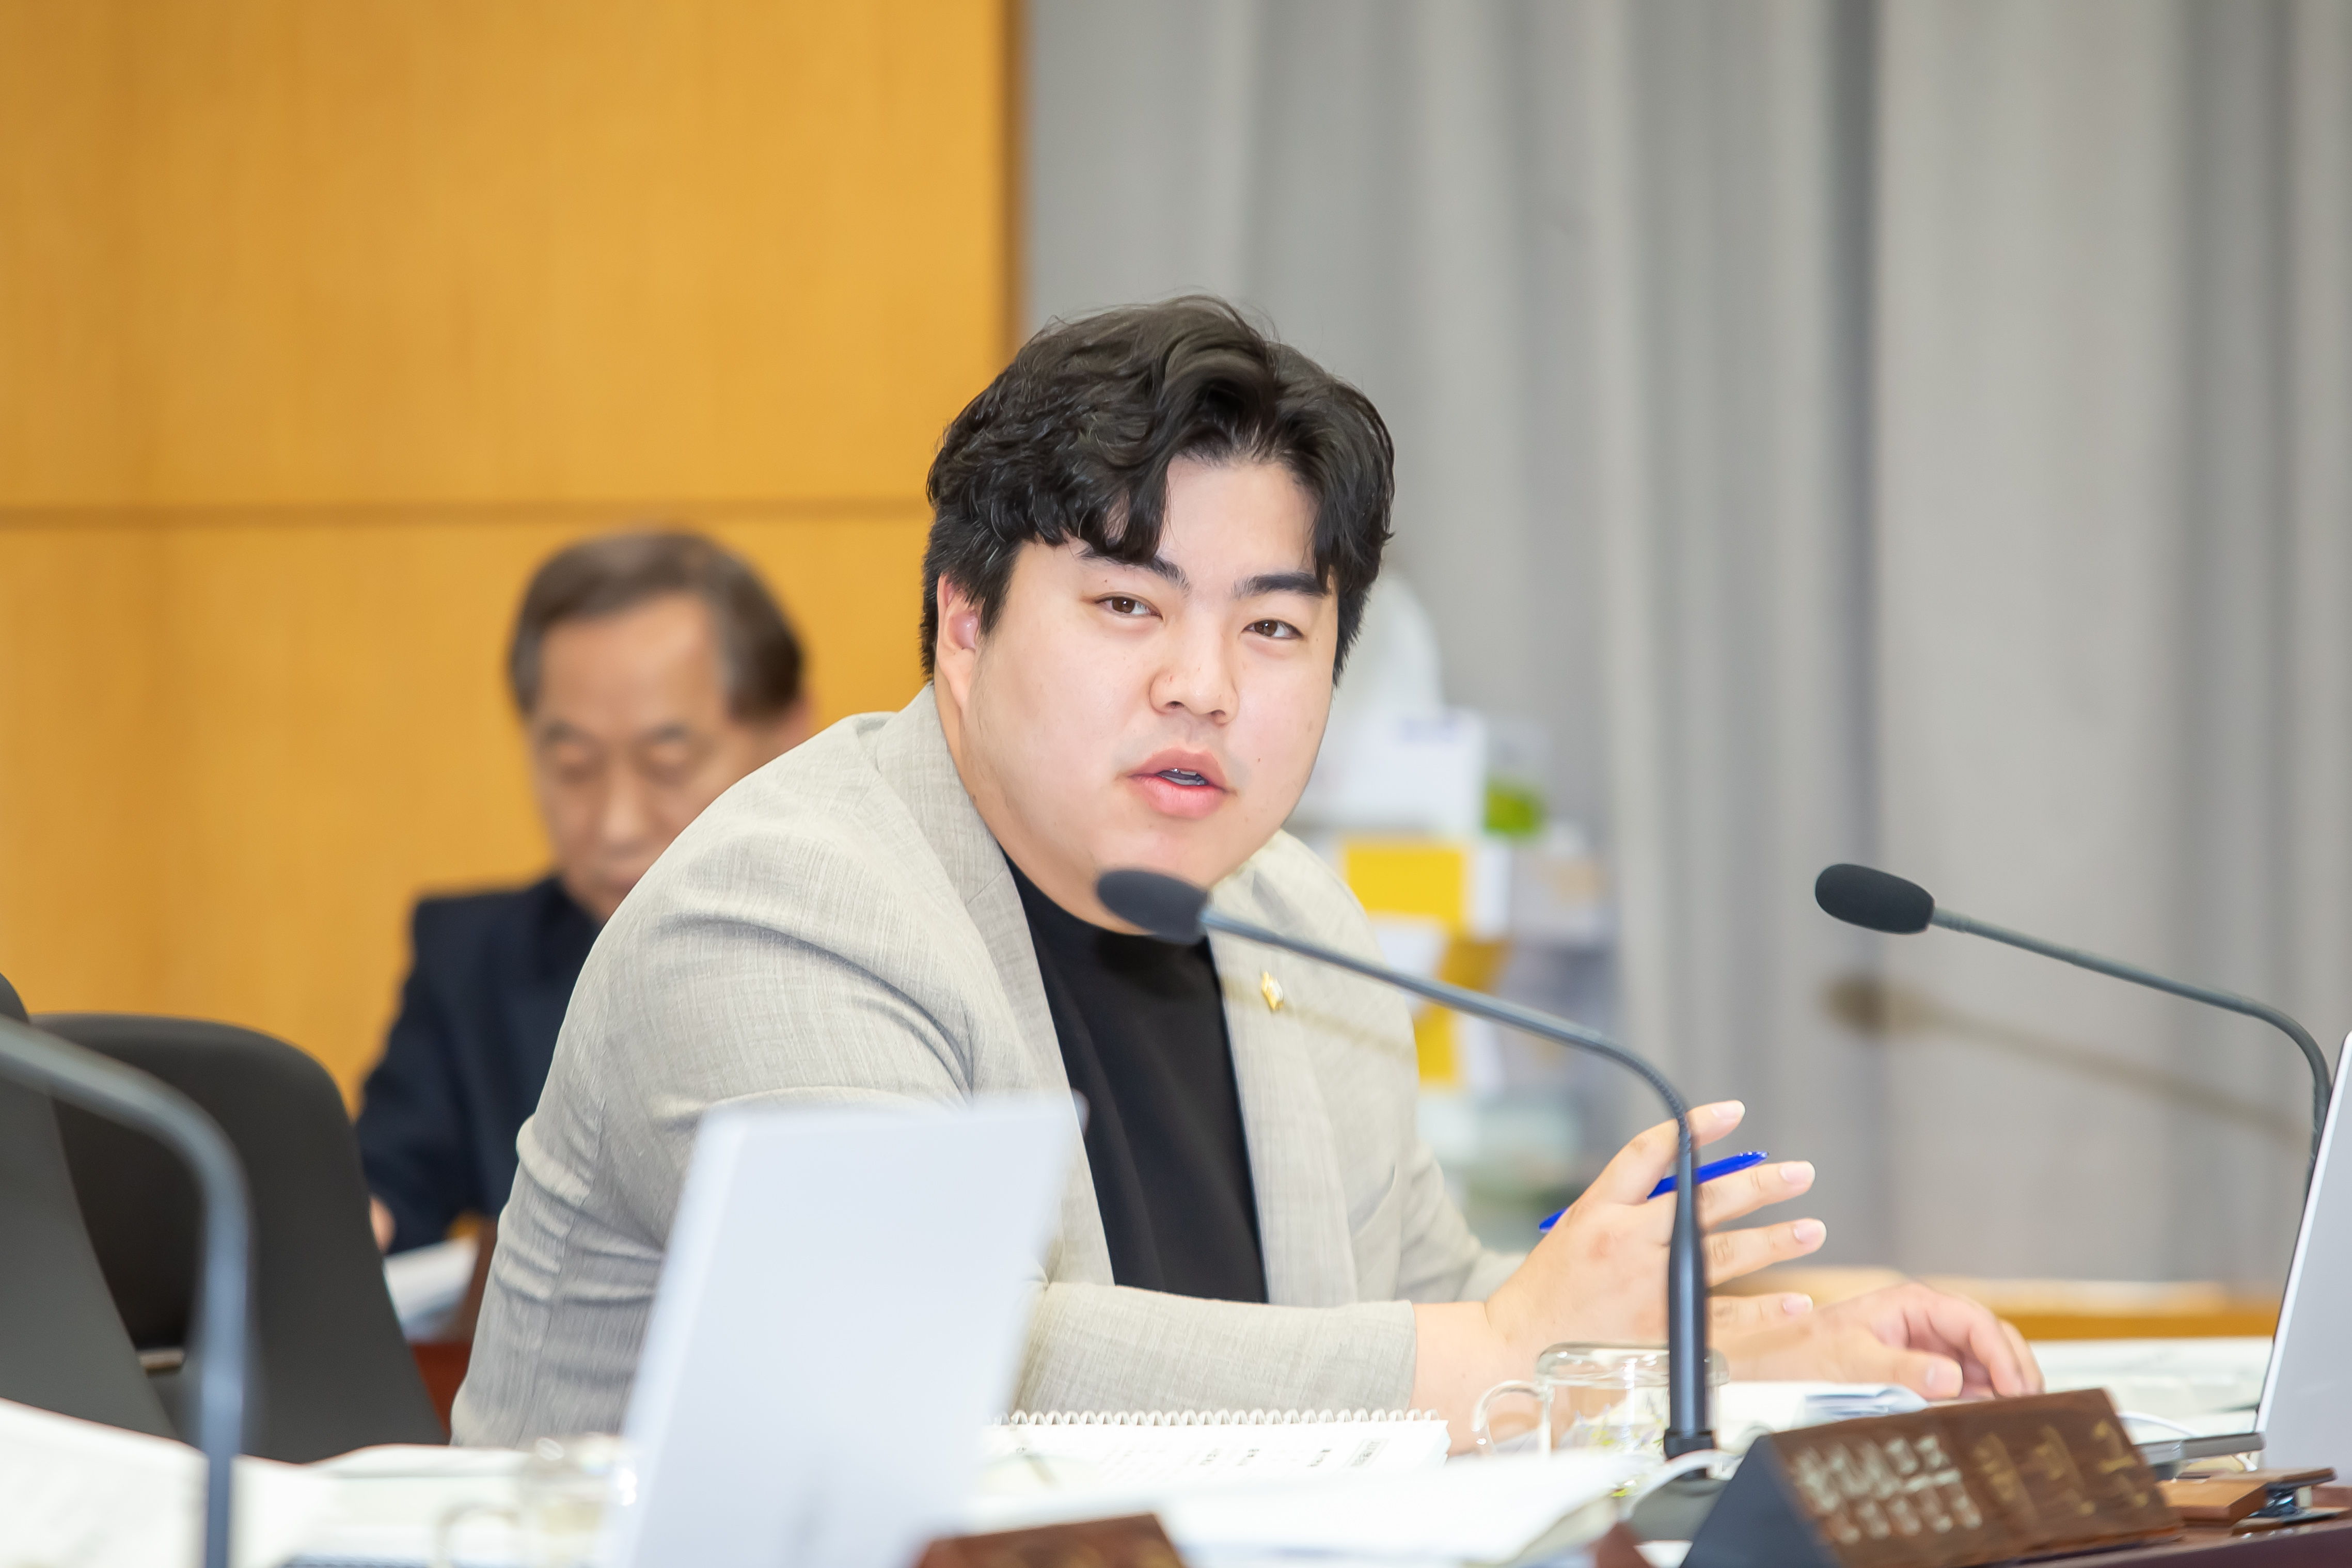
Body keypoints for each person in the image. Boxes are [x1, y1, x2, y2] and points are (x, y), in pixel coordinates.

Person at [456, 300, 2039, 1444]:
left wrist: (1744, 1351)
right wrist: (1497, 1347)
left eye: (1273, 624)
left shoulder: (1288, 915)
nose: (1204, 684)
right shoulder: (784, 905)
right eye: (1128, 606)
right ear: (963, 624)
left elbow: (1429, 1299)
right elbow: (941, 1364)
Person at [355, 531, 811, 1255]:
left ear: (791, 737)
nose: (616, 824)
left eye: (667, 761)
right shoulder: (475, 965)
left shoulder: (896, 946)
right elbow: (384, 1186)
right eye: (573, 766)